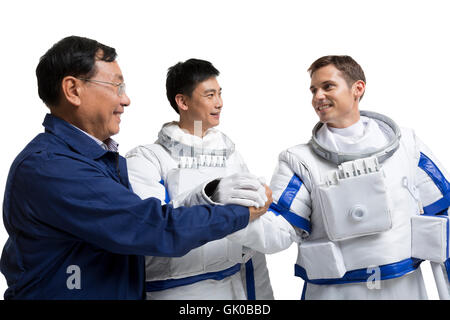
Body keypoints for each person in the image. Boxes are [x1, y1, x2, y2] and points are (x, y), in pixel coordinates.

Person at [0, 36, 271, 300]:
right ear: (73, 90)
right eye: (116, 87)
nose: (126, 100)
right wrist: (240, 212)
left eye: (219, 94)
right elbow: (153, 228)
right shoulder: (52, 167)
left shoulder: (100, 159)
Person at [269, 55, 450, 299]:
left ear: (358, 88)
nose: (317, 96)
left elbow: (442, 214)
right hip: (335, 291)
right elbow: (277, 232)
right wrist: (241, 216)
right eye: (313, 90)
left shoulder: (407, 145)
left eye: (327, 86)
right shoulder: (299, 160)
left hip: (403, 287)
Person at [126, 59, 296, 300]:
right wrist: (212, 197)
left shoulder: (231, 157)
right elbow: (149, 227)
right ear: (182, 102)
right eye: (209, 95)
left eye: (219, 93)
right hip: (174, 293)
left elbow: (251, 249)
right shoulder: (146, 159)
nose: (219, 103)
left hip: (233, 288)